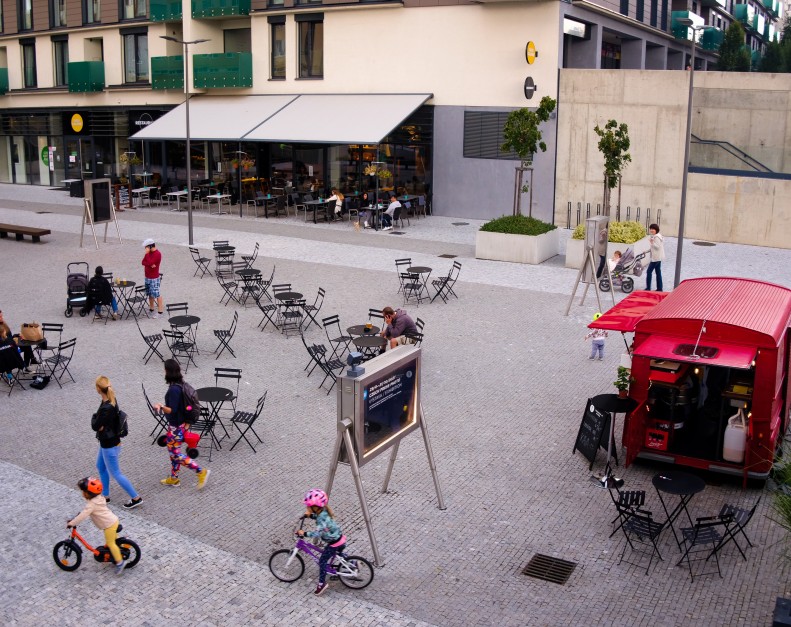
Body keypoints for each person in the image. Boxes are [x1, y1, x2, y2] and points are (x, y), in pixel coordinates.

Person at [153, 359, 210, 489]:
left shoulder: (174, 390)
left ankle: (201, 472)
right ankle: (174, 479)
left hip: (176, 427)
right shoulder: (180, 384)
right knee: (174, 452)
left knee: (176, 455)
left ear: (167, 371)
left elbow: (172, 410)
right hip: (180, 425)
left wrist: (160, 406)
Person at [91, 375, 142, 510]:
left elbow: (95, 425)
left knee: (116, 473)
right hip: (108, 443)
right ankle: (105, 495)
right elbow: (99, 425)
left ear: (98, 389)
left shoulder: (106, 407)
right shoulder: (110, 400)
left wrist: (95, 417)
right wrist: (99, 423)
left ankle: (136, 497)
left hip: (109, 445)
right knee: (100, 466)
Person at [67, 477, 127, 575]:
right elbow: (85, 511)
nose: (82, 493)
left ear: (88, 493)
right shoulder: (98, 498)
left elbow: (84, 514)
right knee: (114, 540)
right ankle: (122, 547)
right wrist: (77, 517)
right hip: (112, 520)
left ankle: (120, 563)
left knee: (111, 543)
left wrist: (72, 523)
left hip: (109, 525)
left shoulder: (92, 504)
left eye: (83, 491)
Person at [297, 489, 346, 596]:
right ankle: (351, 562)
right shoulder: (323, 511)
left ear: (315, 507)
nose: (307, 508)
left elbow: (317, 533)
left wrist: (304, 533)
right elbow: (318, 517)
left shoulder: (320, 519)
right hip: (339, 537)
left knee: (322, 561)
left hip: (334, 542)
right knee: (338, 553)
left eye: (308, 506)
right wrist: (309, 515)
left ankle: (321, 584)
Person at [141, 238, 164, 318]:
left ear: (150, 246)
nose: (145, 249)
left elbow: (151, 262)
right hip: (147, 277)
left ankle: (160, 312)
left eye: (146, 247)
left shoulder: (157, 254)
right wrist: (150, 264)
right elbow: (143, 262)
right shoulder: (148, 253)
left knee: (157, 294)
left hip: (154, 278)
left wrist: (148, 259)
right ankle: (151, 309)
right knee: (150, 294)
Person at [645, 223, 665, 291]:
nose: (651, 230)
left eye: (653, 229)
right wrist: (646, 251)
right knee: (658, 272)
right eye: (651, 229)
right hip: (658, 257)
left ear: (656, 229)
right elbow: (654, 248)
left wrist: (652, 242)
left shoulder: (656, 237)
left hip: (656, 258)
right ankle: (659, 288)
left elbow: (657, 247)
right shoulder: (658, 236)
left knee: (649, 271)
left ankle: (648, 288)